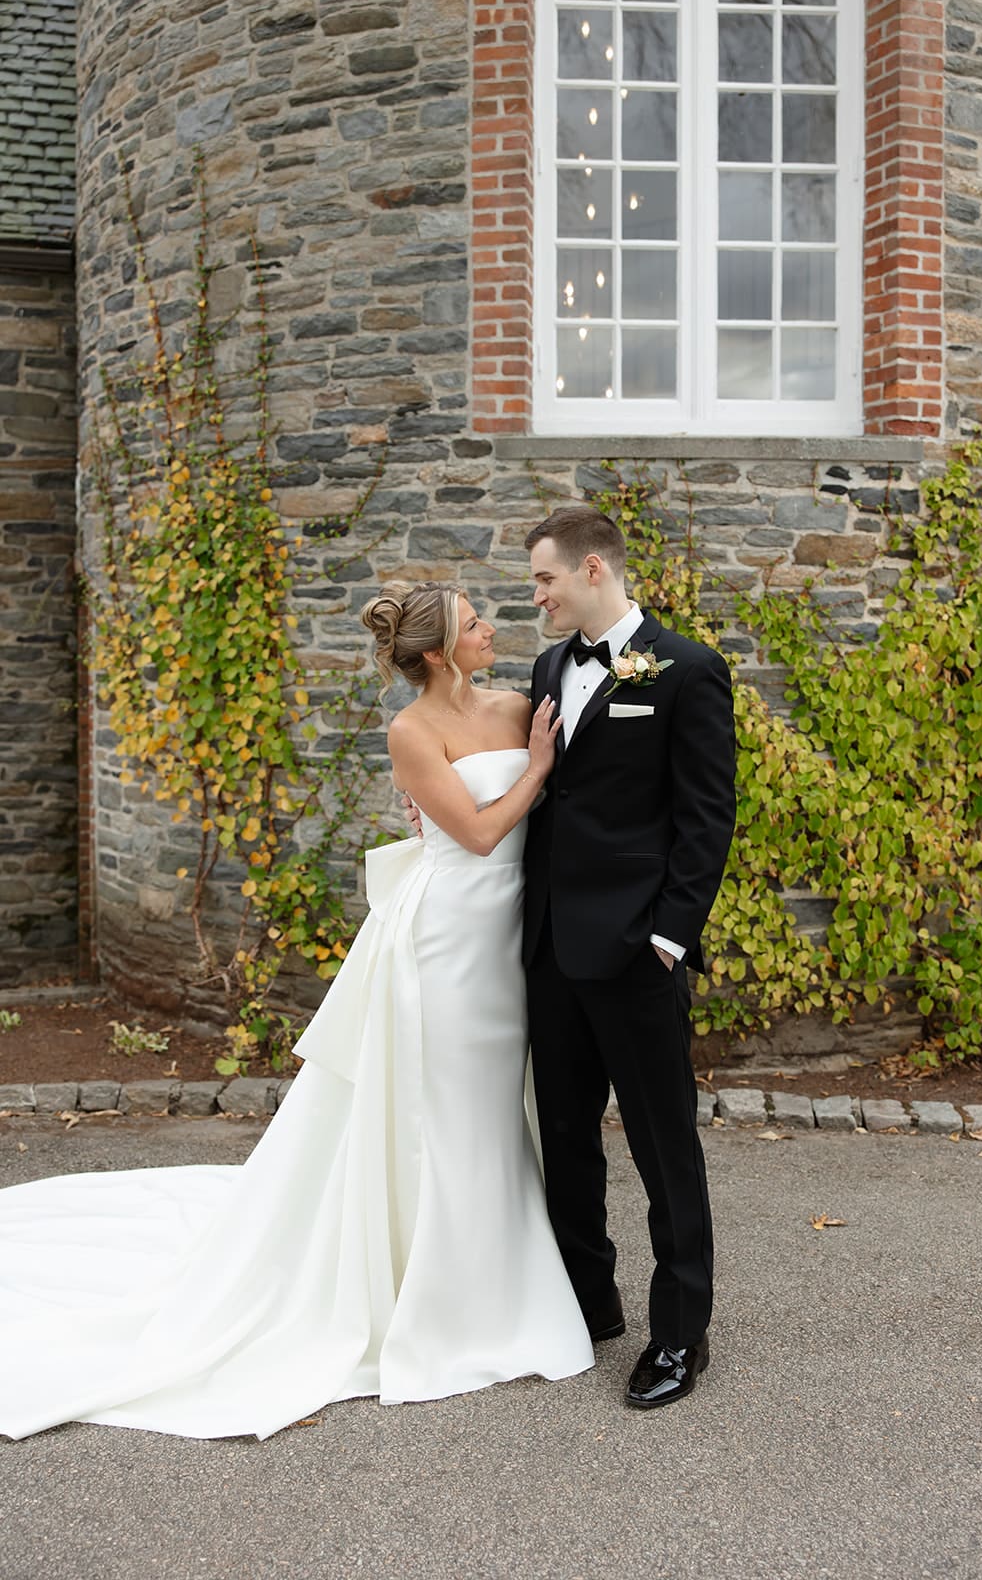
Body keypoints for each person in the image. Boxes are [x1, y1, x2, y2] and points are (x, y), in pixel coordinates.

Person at [0, 581, 593, 1442]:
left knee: (499, 1104)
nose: (490, 628)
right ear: (435, 651)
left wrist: (545, 769)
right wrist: (534, 770)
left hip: (511, 936)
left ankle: (501, 1274)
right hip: (444, 941)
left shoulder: (516, 701)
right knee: (449, 1108)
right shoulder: (411, 730)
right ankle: (442, 1295)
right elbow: (474, 832)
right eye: (473, 623)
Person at [522, 508, 735, 1410]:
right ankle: (588, 1301)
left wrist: (666, 937)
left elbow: (705, 818)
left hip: (636, 954)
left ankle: (680, 1334)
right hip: (549, 952)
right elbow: (538, 796)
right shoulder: (546, 668)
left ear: (592, 569)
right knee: (565, 1139)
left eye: (545, 580)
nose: (535, 597)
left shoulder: (686, 670)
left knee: (661, 1146)